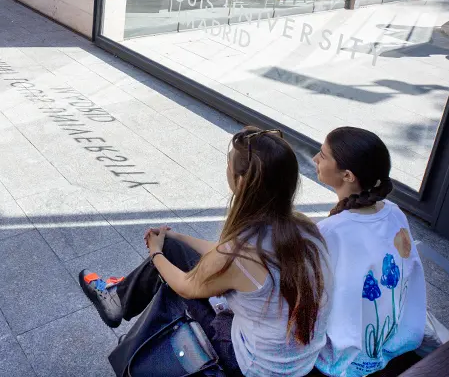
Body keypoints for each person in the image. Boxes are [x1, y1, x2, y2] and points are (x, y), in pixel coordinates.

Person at [80, 127, 332, 377]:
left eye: (228, 162)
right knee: (173, 250)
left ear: (242, 182)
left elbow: (186, 286)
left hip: (254, 366)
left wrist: (157, 253)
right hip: (294, 359)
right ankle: (117, 300)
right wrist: (176, 238)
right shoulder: (304, 227)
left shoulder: (241, 254)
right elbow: (225, 257)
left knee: (169, 285)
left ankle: (136, 356)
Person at [313, 127, 426, 377]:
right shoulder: (395, 212)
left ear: (348, 175)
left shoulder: (331, 230)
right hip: (396, 339)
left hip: (347, 360)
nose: (315, 159)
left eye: (322, 155)